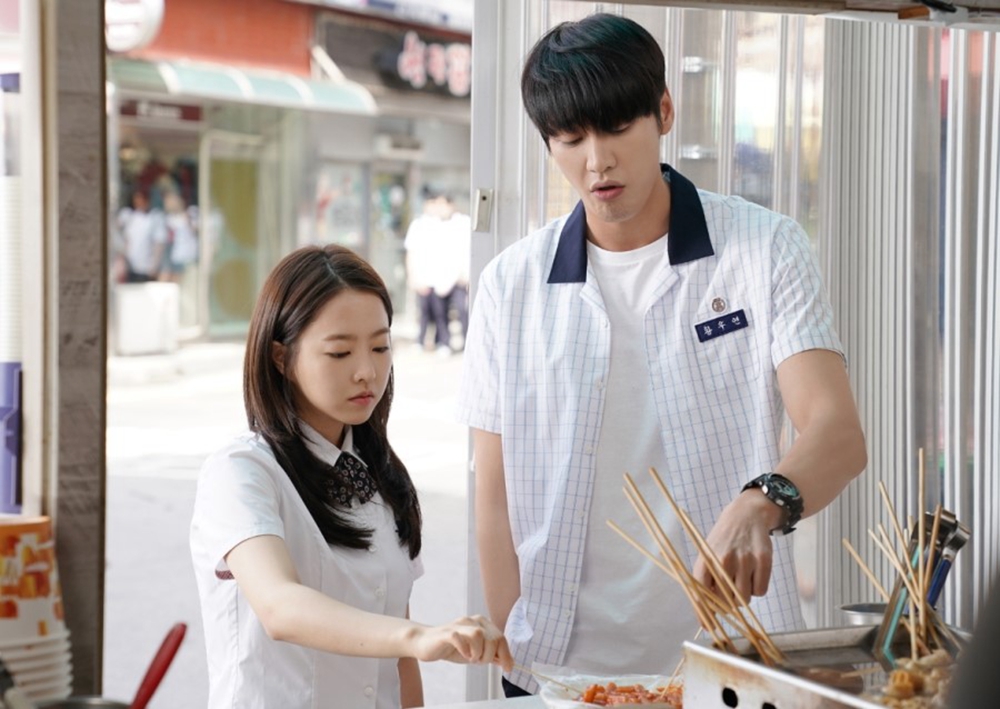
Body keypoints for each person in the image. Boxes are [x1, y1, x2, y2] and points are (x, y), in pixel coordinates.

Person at [456, 13, 867, 697]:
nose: (597, 161)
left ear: (665, 112)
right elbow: (493, 495)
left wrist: (762, 500)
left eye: (617, 128)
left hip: (731, 662)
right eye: (571, 138)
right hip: (557, 669)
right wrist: (518, 658)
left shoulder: (764, 249)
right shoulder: (510, 285)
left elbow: (837, 433)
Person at [190, 244, 512, 709]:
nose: (367, 372)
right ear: (280, 357)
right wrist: (417, 636)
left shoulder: (382, 474)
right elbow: (280, 606)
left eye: (380, 347)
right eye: (340, 352)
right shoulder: (242, 471)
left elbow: (399, 661)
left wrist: (412, 644)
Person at [404, 188, 461, 355]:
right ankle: (421, 341)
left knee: (440, 313)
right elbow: (411, 252)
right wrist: (413, 276)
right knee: (424, 312)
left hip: (440, 278)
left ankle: (443, 342)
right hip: (423, 276)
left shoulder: (445, 225)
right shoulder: (418, 225)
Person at [114, 189, 168, 283]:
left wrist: (154, 266)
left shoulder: (155, 217)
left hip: (146, 268)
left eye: (141, 200)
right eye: (136, 200)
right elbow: (116, 231)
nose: (139, 203)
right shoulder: (128, 215)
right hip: (129, 267)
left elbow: (159, 243)